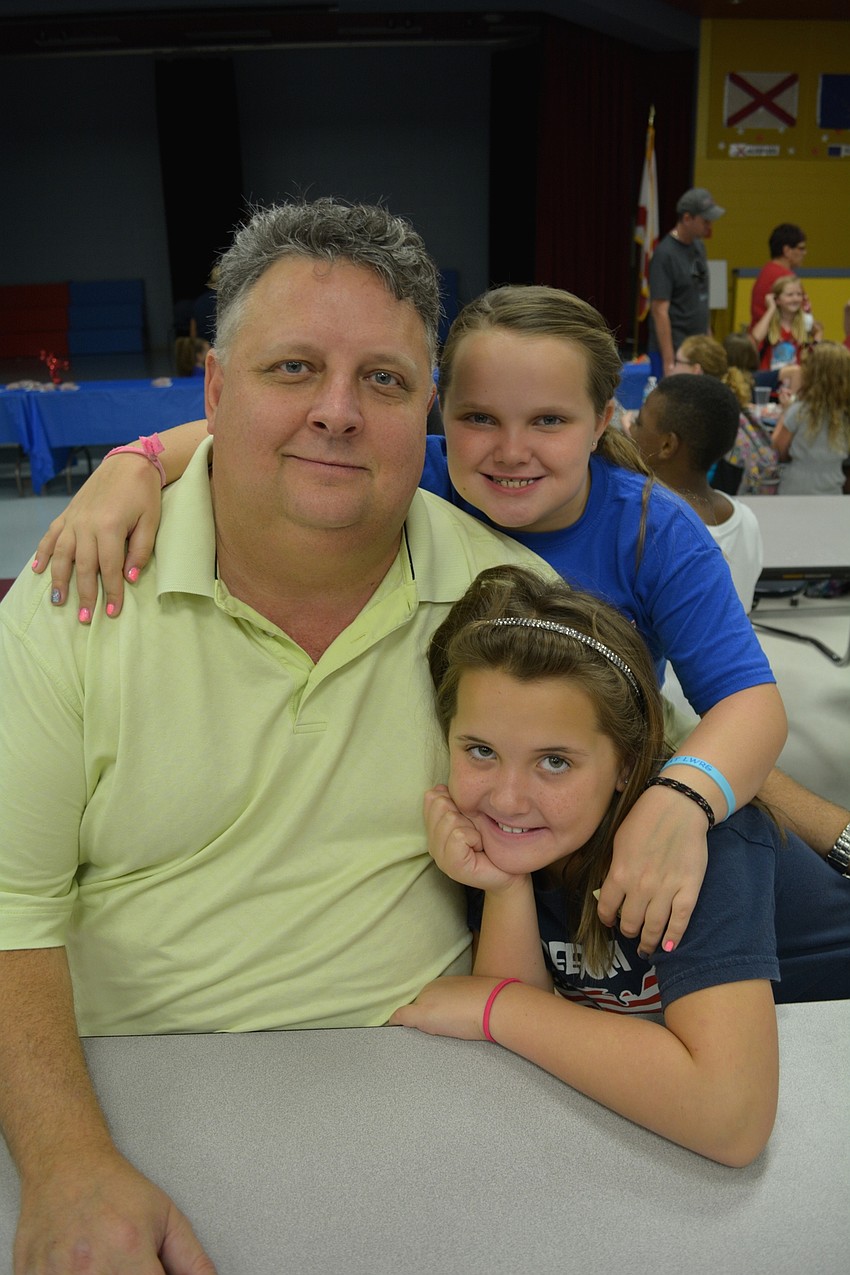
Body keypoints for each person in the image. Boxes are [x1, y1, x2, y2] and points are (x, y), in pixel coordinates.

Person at [0, 199, 565, 1274]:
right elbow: (8, 908)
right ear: (214, 390)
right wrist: (69, 1163)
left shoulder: (507, 604)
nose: (339, 412)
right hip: (115, 1090)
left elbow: (673, 754)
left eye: (385, 381)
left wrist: (755, 814)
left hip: (437, 1094)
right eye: (293, 369)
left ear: (428, 408)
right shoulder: (69, 599)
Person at [34, 282, 793, 935]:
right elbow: (257, 429)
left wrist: (683, 800)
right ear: (438, 413)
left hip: (576, 839)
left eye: (549, 422)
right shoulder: (414, 477)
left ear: (603, 422)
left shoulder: (652, 533)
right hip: (456, 827)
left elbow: (751, 703)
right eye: (479, 418)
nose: (510, 449)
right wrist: (134, 463)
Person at [389, 565, 850, 1165]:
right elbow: (523, 1029)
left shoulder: (703, 854)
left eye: (555, 761)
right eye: (481, 751)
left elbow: (731, 1121)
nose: (506, 798)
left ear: (629, 768)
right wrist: (504, 888)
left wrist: (497, 1007)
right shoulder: (518, 836)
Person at [629, 374, 763, 612]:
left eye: (638, 423)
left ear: (667, 446)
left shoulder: (644, 525)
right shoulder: (746, 520)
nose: (630, 429)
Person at [670, 333, 780, 498]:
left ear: (696, 370)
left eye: (678, 362)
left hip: (704, 502)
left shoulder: (697, 416)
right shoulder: (726, 404)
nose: (672, 368)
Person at [648, 187, 725, 380]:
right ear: (687, 218)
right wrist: (669, 360)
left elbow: (701, 295)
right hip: (676, 349)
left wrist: (708, 338)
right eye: (705, 221)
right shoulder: (665, 255)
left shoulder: (699, 246)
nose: (709, 226)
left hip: (696, 346)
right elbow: (659, 310)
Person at [772, 341, 850, 494]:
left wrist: (784, 413)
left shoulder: (800, 410)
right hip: (833, 488)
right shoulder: (845, 414)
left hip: (795, 488)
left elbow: (778, 448)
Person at [749, 274, 814, 374]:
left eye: (799, 294)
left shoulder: (807, 323)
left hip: (795, 381)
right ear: (777, 299)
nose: (795, 298)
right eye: (790, 295)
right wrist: (771, 308)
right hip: (770, 380)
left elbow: (812, 353)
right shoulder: (769, 322)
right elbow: (755, 338)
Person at [750, 223, 809, 327]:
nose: (805, 253)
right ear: (787, 251)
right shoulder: (787, 278)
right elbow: (805, 317)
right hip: (778, 340)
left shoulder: (767, 271)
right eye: (801, 248)